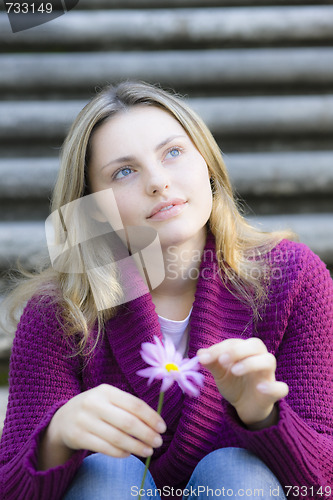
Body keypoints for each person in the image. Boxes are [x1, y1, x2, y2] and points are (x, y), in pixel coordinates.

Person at [0, 81, 332, 500]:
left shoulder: (294, 278)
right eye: (124, 171)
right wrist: (56, 438)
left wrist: (263, 417)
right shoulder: (60, 310)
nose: (158, 182)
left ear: (207, 163)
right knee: (106, 473)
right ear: (93, 208)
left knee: (237, 473)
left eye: (173, 152)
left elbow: (322, 484)